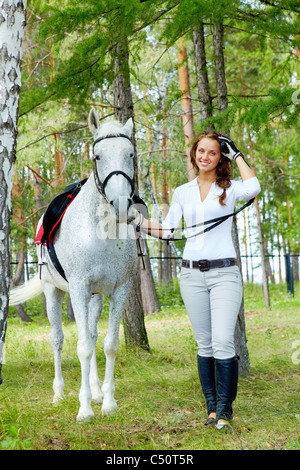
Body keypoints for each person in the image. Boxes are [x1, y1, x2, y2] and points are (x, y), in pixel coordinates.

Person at [140, 131, 261, 430]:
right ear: (194, 154)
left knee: (222, 341)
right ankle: (211, 408)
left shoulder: (230, 188)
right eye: (201, 151)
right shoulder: (182, 192)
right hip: (191, 274)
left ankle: (225, 411)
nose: (205, 157)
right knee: (204, 343)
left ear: (220, 158)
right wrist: (136, 221)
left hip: (224, 274)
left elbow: (255, 187)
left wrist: (237, 154)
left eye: (213, 152)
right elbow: (167, 230)